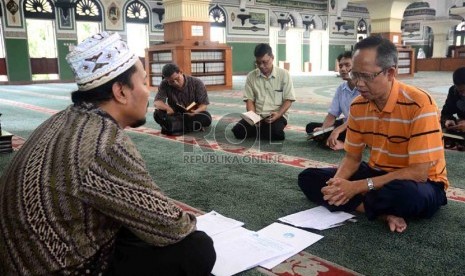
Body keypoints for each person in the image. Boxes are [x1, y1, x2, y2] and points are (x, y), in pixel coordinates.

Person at [0, 32, 215, 275]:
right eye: (144, 82)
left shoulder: (64, 119)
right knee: (198, 248)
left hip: (23, 259)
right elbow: (172, 227)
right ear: (120, 92)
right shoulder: (105, 143)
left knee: (134, 228)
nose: (148, 91)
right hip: (65, 267)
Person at [298, 36, 448, 233]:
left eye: (366, 76)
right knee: (309, 178)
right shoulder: (359, 106)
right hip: (377, 173)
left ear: (390, 73)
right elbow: (352, 158)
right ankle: (384, 214)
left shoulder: (420, 104)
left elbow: (418, 172)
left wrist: (358, 187)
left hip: (421, 181)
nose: (358, 84)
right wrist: (338, 184)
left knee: (407, 197)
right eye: (354, 74)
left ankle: (363, 204)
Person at [231, 43, 296, 141]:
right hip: (257, 116)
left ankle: (263, 131)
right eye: (258, 62)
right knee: (238, 131)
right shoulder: (251, 76)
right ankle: (263, 130)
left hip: (276, 115)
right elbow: (249, 100)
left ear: (272, 58)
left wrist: (278, 114)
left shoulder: (284, 75)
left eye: (265, 62)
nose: (261, 66)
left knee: (276, 135)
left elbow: (289, 100)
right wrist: (253, 117)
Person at [306, 51, 359, 150]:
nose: (343, 69)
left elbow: (359, 119)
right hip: (346, 123)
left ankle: (346, 144)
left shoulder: (364, 88)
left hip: (361, 125)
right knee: (311, 127)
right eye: (340, 66)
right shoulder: (341, 89)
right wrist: (323, 129)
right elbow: (332, 114)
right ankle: (335, 139)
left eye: (347, 65)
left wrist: (336, 131)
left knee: (340, 133)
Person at [153, 63, 212, 136]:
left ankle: (173, 127)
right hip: (175, 113)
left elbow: (203, 105)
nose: (175, 82)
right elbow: (157, 102)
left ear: (181, 72)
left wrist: (195, 111)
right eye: (171, 81)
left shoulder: (197, 82)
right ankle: (182, 127)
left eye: (177, 79)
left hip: (192, 113)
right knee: (157, 114)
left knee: (206, 117)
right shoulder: (164, 83)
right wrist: (167, 108)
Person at [440, 67, 465, 150]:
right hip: (461, 124)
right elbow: (446, 112)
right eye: (460, 91)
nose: (463, 94)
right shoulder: (453, 91)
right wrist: (448, 119)